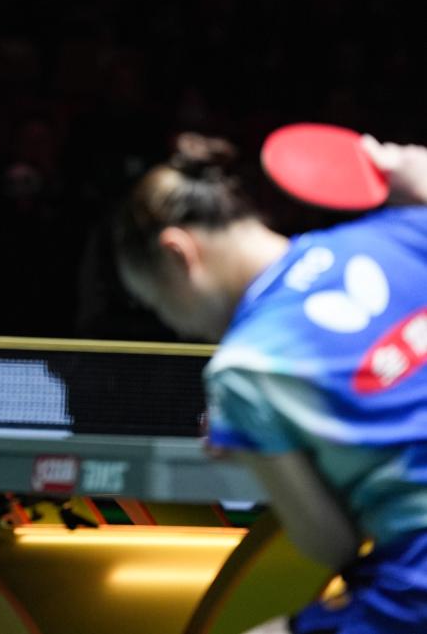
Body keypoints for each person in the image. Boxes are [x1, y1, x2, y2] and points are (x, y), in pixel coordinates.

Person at [112, 131, 427, 634]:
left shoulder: (245, 365)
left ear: (178, 254)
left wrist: (261, 452)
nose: (178, 326)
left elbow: (333, 545)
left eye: (159, 303)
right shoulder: (398, 230)